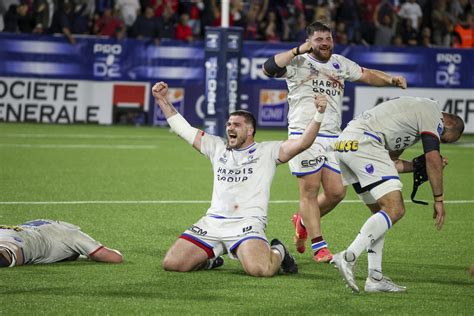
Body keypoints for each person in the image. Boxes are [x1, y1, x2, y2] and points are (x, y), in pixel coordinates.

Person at [262, 21, 407, 263]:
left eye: (328, 38)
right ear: (309, 42)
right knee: (310, 190)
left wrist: (391, 80)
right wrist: (297, 51)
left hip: (333, 136)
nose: (325, 43)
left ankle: (302, 220)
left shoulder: (340, 63)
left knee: (337, 192)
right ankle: (319, 246)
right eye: (319, 39)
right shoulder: (298, 62)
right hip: (304, 134)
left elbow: (367, 75)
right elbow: (267, 68)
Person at [152, 81, 327, 277]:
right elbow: (182, 128)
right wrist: (162, 99)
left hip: (247, 224)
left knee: (261, 270)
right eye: (228, 124)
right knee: (172, 263)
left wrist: (319, 113)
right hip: (213, 222)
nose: (229, 128)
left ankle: (279, 250)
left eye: (236, 125)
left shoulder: (268, 151)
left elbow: (303, 143)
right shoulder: (216, 146)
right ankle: (210, 260)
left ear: (250, 131)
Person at [331, 96, 464, 293]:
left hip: (346, 144)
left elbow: (391, 164)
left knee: (380, 214)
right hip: (365, 142)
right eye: (443, 138)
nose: (439, 140)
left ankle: (375, 277)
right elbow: (432, 158)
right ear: (449, 122)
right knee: (395, 209)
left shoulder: (408, 121)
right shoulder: (432, 113)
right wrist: (439, 199)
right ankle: (348, 256)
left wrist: (418, 167)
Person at [0, 219, 123, 267]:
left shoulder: (42, 222)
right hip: (20, 242)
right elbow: (113, 257)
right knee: (8, 254)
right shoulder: (72, 234)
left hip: (8, 230)